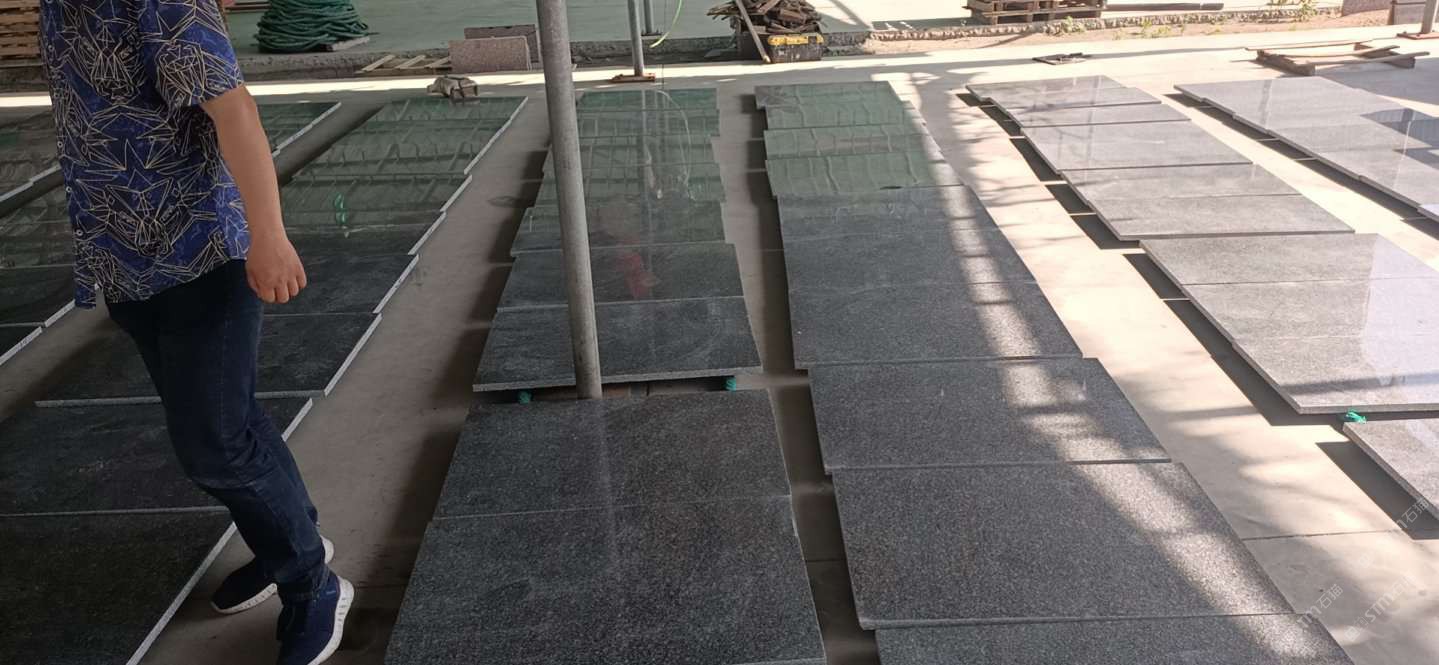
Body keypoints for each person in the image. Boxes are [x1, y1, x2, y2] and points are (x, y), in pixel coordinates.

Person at [37, 2, 352, 663]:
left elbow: (234, 110)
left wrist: (268, 236)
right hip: (124, 259)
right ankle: (290, 542)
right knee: (229, 422)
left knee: (214, 446)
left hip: (204, 252)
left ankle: (312, 582)